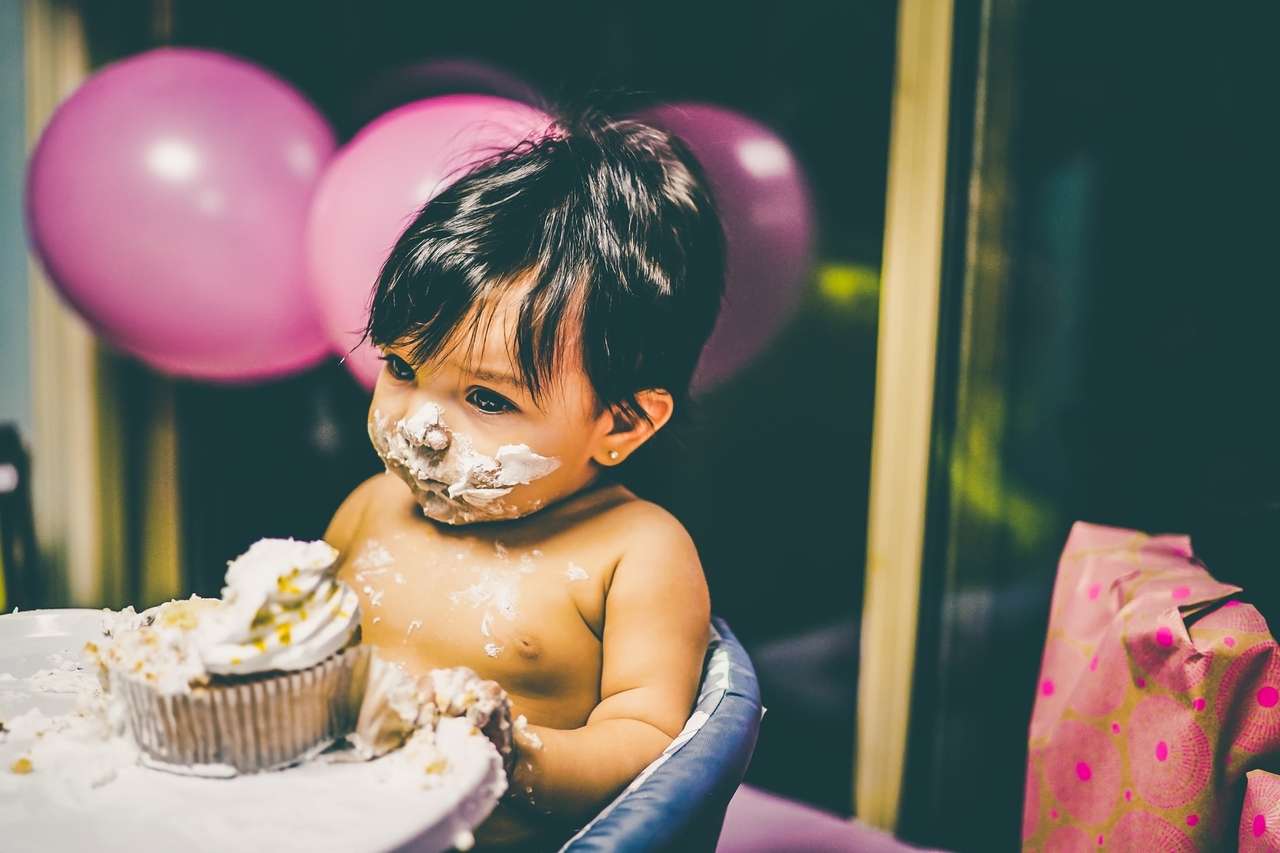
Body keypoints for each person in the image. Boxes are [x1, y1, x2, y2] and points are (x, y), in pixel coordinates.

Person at [322, 104, 726, 848]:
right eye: (403, 367)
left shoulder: (634, 554)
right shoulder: (371, 508)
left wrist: (510, 746)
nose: (421, 427)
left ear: (623, 424)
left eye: (486, 398)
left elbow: (648, 748)